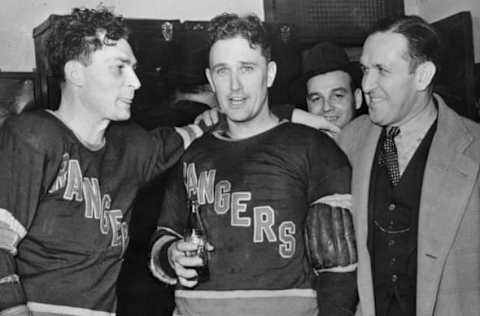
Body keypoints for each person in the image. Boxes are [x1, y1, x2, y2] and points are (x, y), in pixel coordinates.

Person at [0, 7, 209, 316]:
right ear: (75, 73)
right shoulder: (33, 135)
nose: (136, 81)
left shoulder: (132, 145)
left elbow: (198, 129)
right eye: (119, 68)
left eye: (133, 68)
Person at [149, 13, 356, 316]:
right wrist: (170, 255)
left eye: (247, 68)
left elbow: (340, 266)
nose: (234, 86)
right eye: (222, 71)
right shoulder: (192, 153)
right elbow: (163, 237)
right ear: (210, 79)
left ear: (269, 74)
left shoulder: (315, 148)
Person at [337, 15, 480, 315]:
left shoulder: (474, 147)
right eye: (365, 70)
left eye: (382, 71)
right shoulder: (351, 138)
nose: (366, 85)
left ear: (423, 75)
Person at [299, 42, 363, 130]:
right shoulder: (294, 143)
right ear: (307, 104)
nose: (326, 107)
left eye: (337, 96)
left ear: (357, 99)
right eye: (316, 99)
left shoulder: (376, 139)